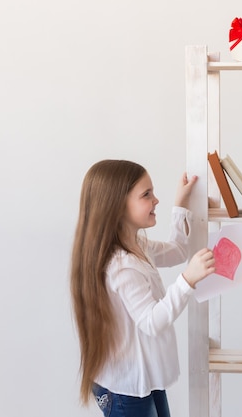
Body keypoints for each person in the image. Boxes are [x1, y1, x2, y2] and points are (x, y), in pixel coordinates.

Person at [70, 160, 216, 417]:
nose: (155, 200)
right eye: (146, 195)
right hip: (126, 389)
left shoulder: (135, 245)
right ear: (116, 206)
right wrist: (187, 280)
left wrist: (180, 204)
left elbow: (178, 250)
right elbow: (150, 321)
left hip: (142, 378)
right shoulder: (121, 266)